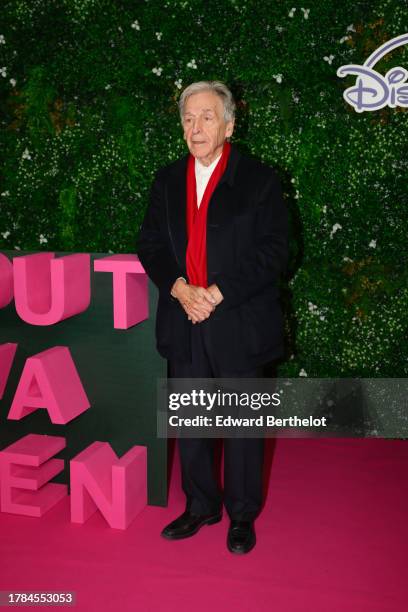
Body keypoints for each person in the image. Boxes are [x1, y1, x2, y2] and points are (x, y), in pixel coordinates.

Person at [137, 81, 288, 554]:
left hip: (238, 317)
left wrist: (218, 293)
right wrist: (180, 288)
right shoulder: (165, 181)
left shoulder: (261, 179)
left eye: (206, 117)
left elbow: (278, 251)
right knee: (192, 418)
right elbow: (151, 245)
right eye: (188, 118)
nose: (195, 127)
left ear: (228, 125)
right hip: (183, 316)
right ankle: (201, 503)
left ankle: (242, 515)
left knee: (243, 426)